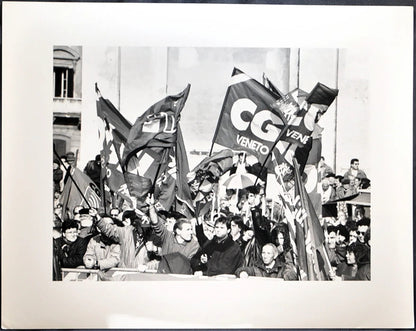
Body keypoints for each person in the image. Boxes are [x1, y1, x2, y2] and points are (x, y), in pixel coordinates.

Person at [146, 194, 200, 262]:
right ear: (178, 231)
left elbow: (191, 264)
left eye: (191, 229)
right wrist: (151, 206)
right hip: (164, 270)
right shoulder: (167, 236)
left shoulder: (194, 245)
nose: (191, 232)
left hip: (181, 272)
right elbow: (156, 222)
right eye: (188, 230)